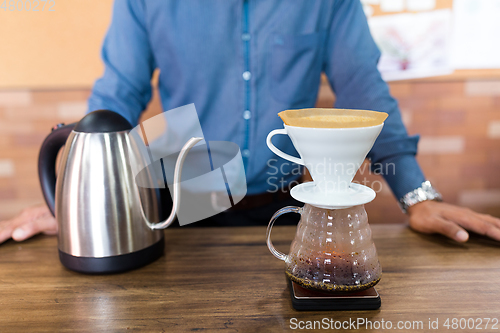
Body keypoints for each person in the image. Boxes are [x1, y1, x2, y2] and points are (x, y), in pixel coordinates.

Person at [1, 0, 499, 244]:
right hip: (178, 204)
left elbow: (365, 93)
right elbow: (117, 96)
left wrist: (417, 195)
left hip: (283, 204)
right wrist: (74, 198)